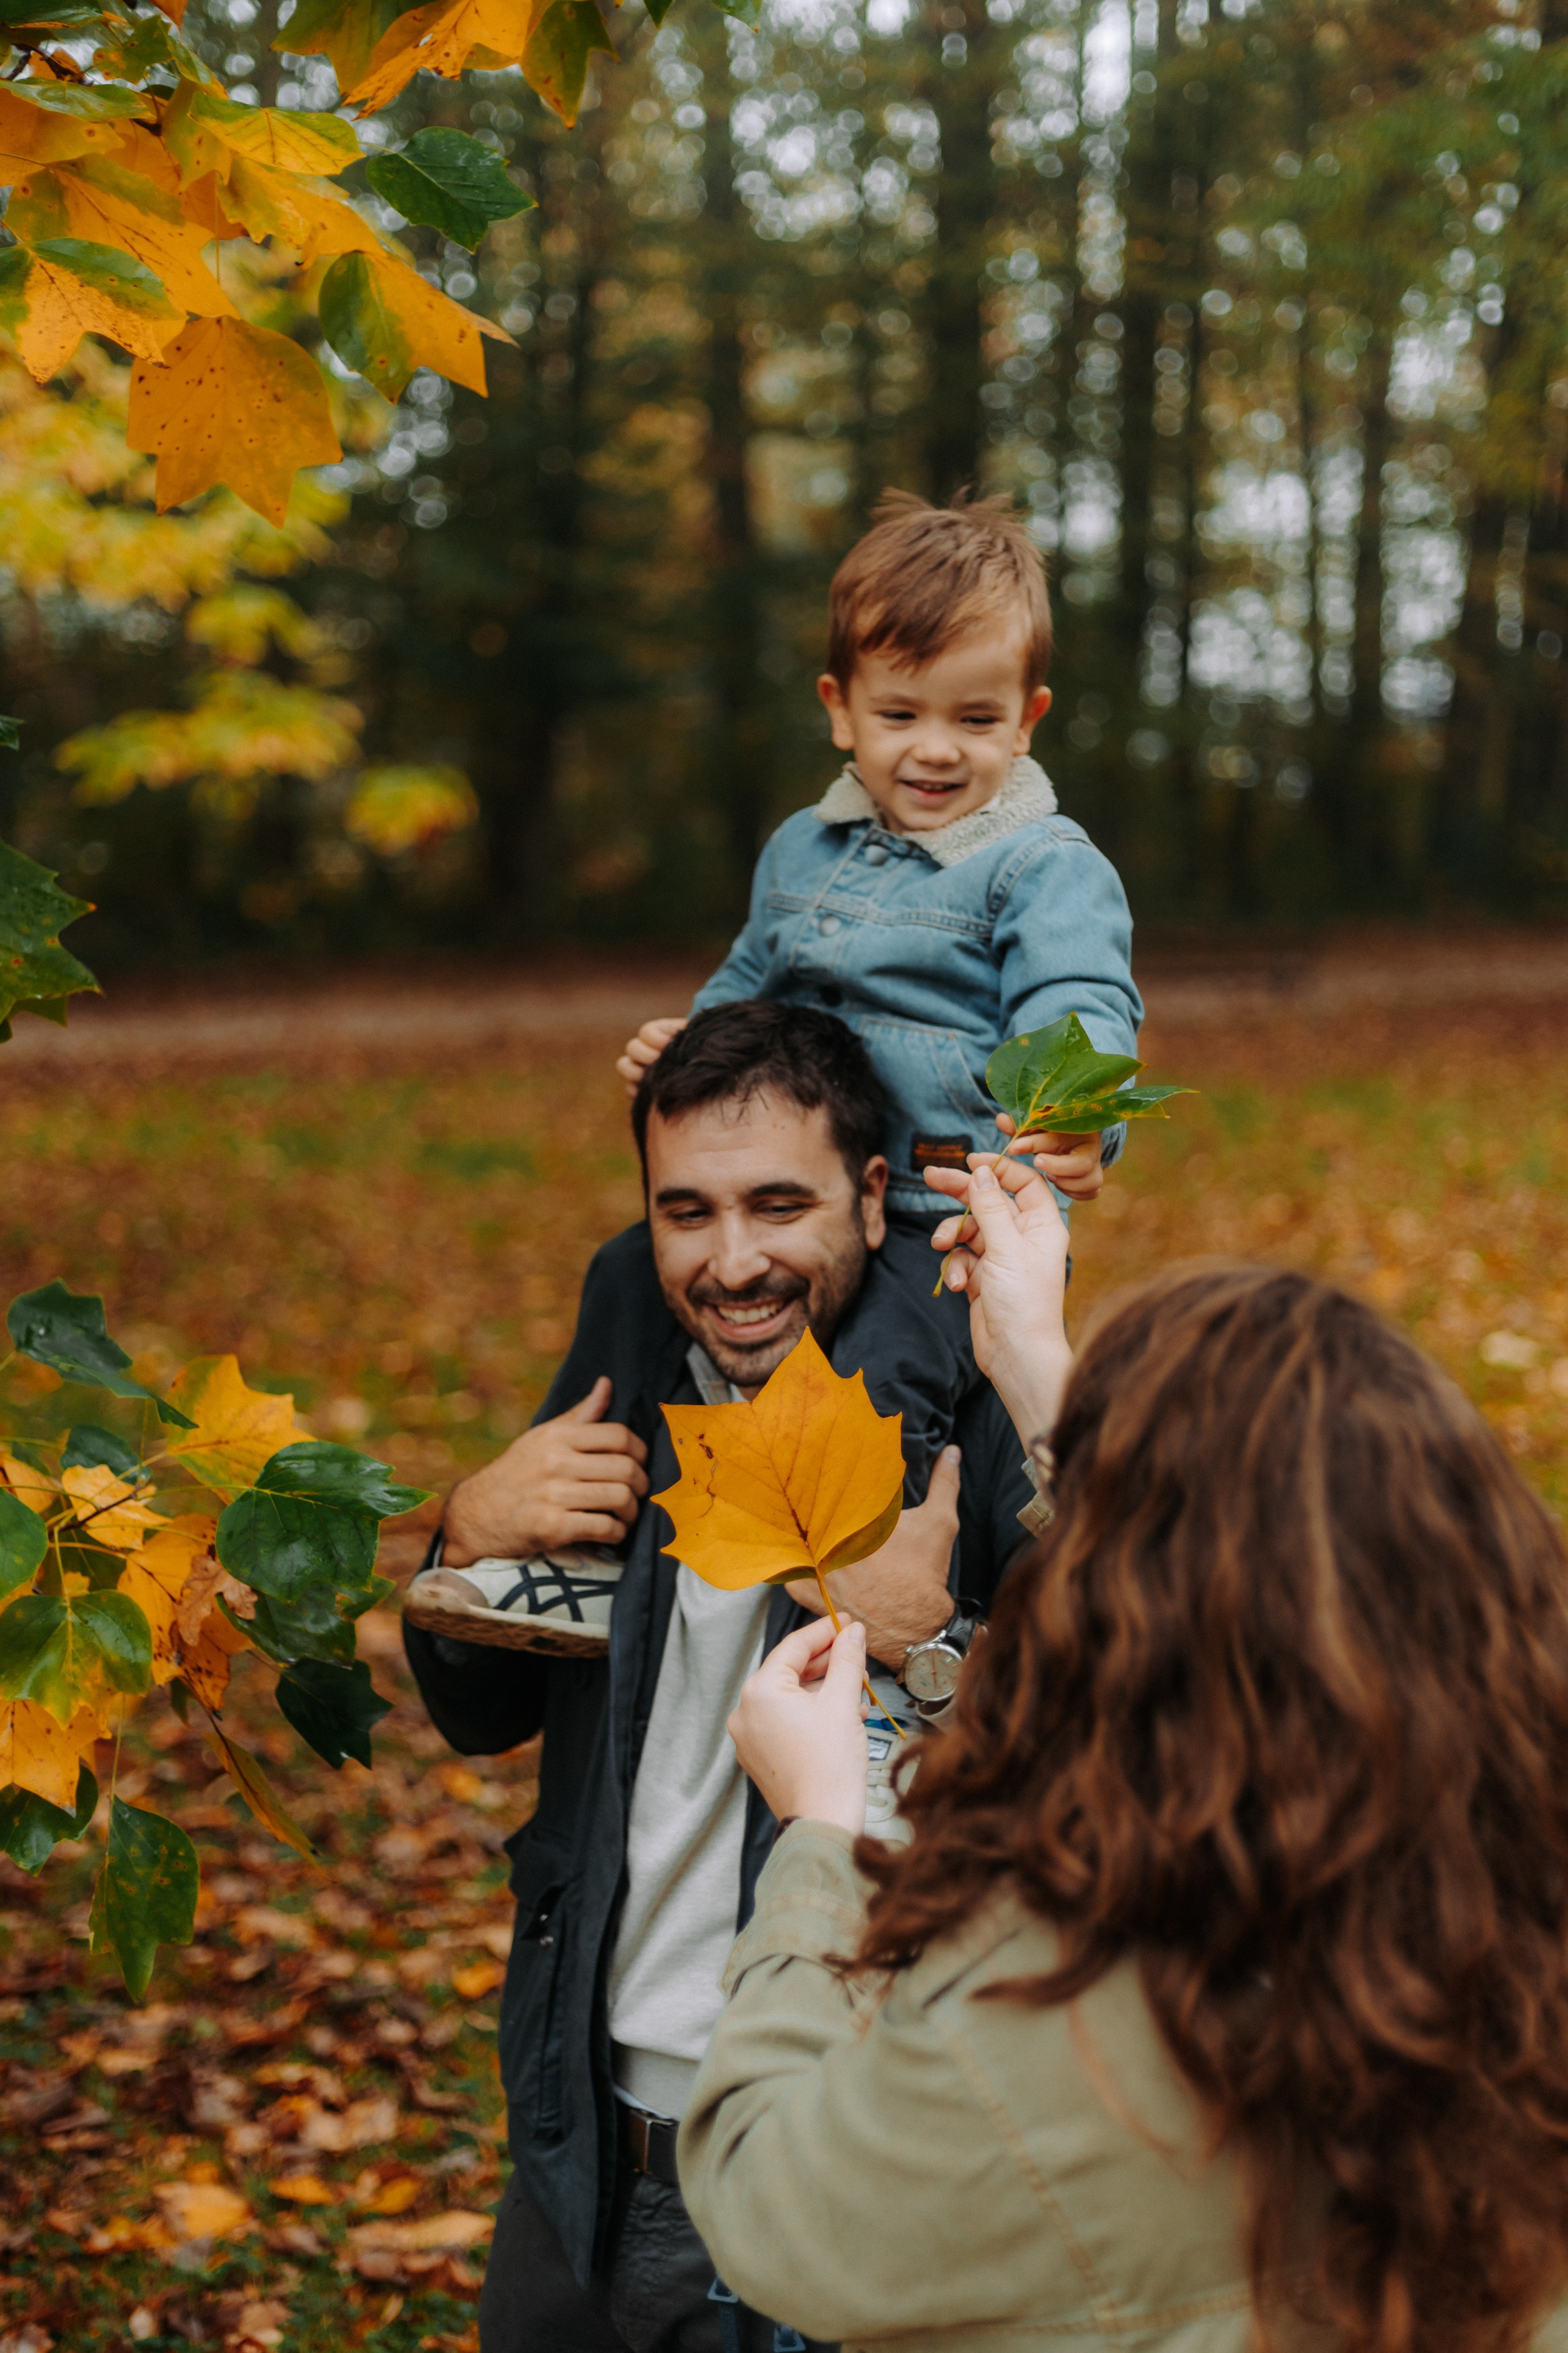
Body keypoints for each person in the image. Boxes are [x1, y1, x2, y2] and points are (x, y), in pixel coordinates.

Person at [678, 1154, 1568, 2353]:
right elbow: (1244, 1570)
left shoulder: (1047, 2016)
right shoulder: (1516, 1924)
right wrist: (1038, 1358)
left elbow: (773, 2205)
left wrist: (821, 1836)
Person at [401, 1008, 1040, 2353]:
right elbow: (478, 1708)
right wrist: (465, 1531)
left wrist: (926, 1643)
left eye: (776, 1204)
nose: (731, 1260)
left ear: (873, 1200)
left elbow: (1111, 1758)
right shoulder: (631, 1370)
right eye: (684, 1212)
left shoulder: (965, 1417)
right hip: (581, 2123)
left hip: (827, 2137)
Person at [616, 492, 1143, 1234]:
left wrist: (1077, 1120)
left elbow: (1078, 1008)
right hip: (800, 1198)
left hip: (953, 1213)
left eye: (976, 718)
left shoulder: (1041, 866)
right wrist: (688, 1049)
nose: (935, 747)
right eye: (900, 714)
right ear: (841, 709)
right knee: (638, 1285)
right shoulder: (803, 844)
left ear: (1025, 721)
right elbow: (749, 981)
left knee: (897, 1351)